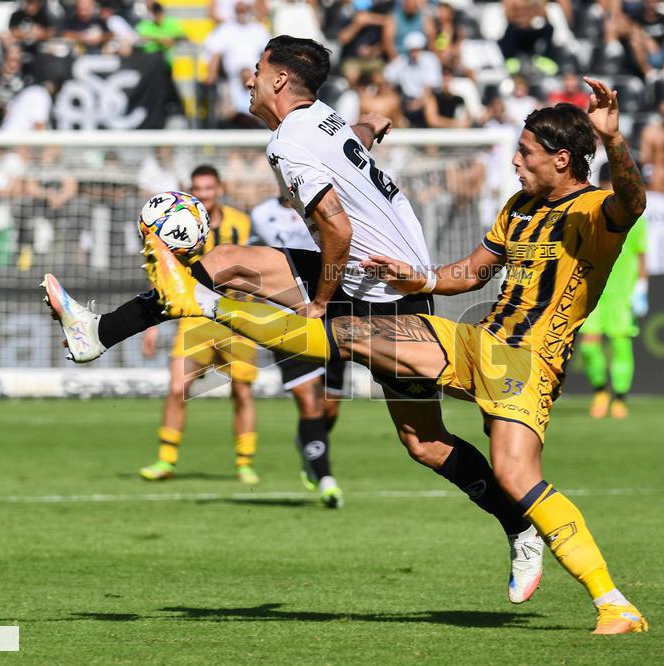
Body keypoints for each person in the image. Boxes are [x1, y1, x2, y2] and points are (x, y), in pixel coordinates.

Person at [138, 77, 651, 635]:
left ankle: (615, 604)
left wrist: (614, 141)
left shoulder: (598, 211)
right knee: (394, 395)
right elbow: (474, 271)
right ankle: (206, 303)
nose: (514, 160)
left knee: (515, 474)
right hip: (475, 340)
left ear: (561, 158)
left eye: (525, 153)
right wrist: (423, 277)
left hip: (526, 363)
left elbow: (634, 199)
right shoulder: (521, 206)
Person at [43, 35, 545, 605]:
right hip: (367, 277)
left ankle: (520, 527)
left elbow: (338, 230)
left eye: (256, 70)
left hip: (383, 295)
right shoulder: (321, 121)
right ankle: (98, 332)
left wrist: (322, 303)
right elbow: (344, 164)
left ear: (280, 80)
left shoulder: (288, 143)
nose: (248, 80)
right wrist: (367, 131)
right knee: (225, 262)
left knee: (425, 443)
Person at [138, 165, 261, 485]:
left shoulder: (244, 224)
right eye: (198, 189)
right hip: (196, 322)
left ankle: (244, 462)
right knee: (178, 388)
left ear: (221, 188)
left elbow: (262, 267)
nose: (204, 194)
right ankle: (165, 459)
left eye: (209, 188)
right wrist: (152, 324)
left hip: (237, 321)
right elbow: (164, 276)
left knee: (242, 392)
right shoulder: (177, 227)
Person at [250, 195, 346, 507]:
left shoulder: (328, 209)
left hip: (331, 313)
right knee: (310, 401)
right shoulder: (261, 215)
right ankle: (327, 480)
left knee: (329, 407)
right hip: (285, 321)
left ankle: (308, 441)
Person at [578, 164, 648, 419]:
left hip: (621, 292)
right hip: (593, 287)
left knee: (620, 344)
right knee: (588, 346)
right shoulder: (591, 211)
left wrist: (641, 287)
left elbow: (642, 255)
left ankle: (620, 397)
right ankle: (600, 390)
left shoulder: (634, 215)